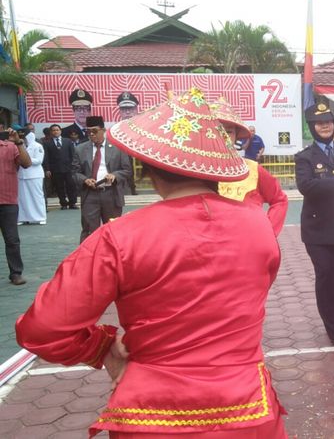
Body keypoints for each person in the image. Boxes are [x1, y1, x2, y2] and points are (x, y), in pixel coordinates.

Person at [16, 88, 287, 438]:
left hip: (153, 414)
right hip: (248, 409)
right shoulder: (259, 228)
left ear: (147, 168)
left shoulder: (119, 237)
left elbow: (42, 329)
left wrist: (103, 348)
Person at [295, 103, 334, 348]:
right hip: (318, 230)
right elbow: (306, 186)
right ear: (312, 127)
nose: (325, 126)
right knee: (326, 275)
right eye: (320, 123)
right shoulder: (305, 157)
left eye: (328, 122)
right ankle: (333, 328)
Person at [214, 98, 288, 236]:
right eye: (217, 130)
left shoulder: (253, 170)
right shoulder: (195, 172)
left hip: (248, 247)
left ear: (236, 136)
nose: (223, 136)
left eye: (229, 131)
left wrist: (267, 232)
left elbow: (279, 199)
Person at [72, 116, 133, 243]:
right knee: (89, 231)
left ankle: (113, 260)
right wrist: (85, 180)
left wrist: (115, 175)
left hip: (111, 193)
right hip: (90, 194)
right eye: (88, 132)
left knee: (113, 230)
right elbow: (74, 173)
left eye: (94, 131)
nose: (91, 134)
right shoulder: (80, 149)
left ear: (103, 130)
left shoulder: (118, 147)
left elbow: (127, 170)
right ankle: (87, 260)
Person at [1, 127, 31, 285]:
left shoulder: (11, 146)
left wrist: (18, 141)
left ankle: (16, 273)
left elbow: (27, 163)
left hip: (7, 200)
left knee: (12, 240)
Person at [43, 124, 78, 210]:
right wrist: (47, 169)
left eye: (57, 130)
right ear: (51, 132)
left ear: (60, 131)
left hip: (69, 168)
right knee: (59, 187)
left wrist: (74, 167)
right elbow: (46, 157)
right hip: (55, 169)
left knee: (71, 186)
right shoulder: (47, 143)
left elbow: (73, 155)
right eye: (54, 130)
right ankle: (63, 204)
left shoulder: (68, 141)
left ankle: (72, 203)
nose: (56, 132)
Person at [17, 130, 47, 225]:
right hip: (22, 175)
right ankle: (23, 217)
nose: (23, 139)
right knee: (22, 197)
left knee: (37, 196)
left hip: (34, 175)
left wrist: (25, 159)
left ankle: (40, 216)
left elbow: (39, 160)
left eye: (24, 137)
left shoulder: (37, 146)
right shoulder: (18, 146)